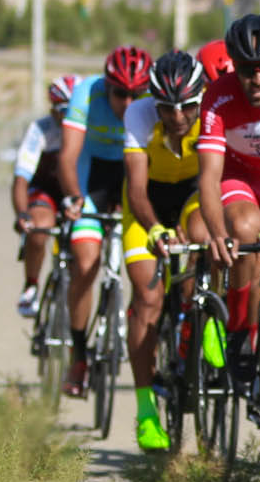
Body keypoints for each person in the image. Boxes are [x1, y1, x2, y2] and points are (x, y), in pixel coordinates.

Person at [195, 14, 260, 385]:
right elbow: (208, 175)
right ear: (234, 67)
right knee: (243, 230)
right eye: (247, 69)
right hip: (242, 181)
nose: (257, 80)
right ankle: (240, 329)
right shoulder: (218, 96)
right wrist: (215, 230)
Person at [121, 50, 211, 452]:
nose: (177, 117)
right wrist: (154, 227)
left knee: (204, 237)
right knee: (147, 297)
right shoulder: (138, 116)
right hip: (146, 204)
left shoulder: (211, 111)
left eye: (186, 107)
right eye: (167, 109)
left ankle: (203, 316)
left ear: (200, 98)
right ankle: (145, 411)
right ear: (153, 103)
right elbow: (137, 190)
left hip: (193, 194)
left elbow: (213, 181)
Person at [55, 46, 153, 397]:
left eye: (135, 95)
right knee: (85, 261)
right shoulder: (86, 92)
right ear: (106, 87)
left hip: (132, 178)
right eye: (119, 93)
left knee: (145, 267)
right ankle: (79, 353)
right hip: (90, 177)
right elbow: (67, 157)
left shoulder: (152, 102)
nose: (128, 103)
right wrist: (72, 197)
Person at [12, 73, 79, 317]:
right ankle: (31, 284)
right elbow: (21, 179)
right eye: (63, 112)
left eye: (74, 112)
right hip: (45, 191)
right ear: (53, 110)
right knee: (40, 227)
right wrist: (22, 214)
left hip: (75, 192)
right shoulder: (40, 130)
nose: (68, 119)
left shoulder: (89, 128)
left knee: (81, 251)